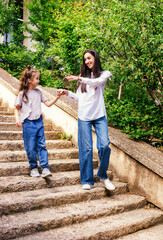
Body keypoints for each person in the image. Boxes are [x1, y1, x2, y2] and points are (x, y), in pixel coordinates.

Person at [58, 49, 115, 191]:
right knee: (86, 148)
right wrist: (67, 93)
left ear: (95, 58)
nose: (87, 61)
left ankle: (103, 175)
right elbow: (79, 98)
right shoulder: (82, 78)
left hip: (99, 115)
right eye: (85, 59)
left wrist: (79, 79)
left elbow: (96, 83)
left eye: (89, 58)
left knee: (104, 146)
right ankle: (87, 180)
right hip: (84, 116)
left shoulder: (104, 74)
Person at [15, 66, 61, 178]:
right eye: (36, 78)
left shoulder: (39, 93)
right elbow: (17, 108)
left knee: (42, 145)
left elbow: (48, 104)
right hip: (28, 124)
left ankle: (45, 168)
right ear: (29, 80)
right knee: (30, 147)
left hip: (39, 122)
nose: (38, 80)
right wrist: (17, 119)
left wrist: (57, 97)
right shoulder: (22, 94)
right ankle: (33, 168)